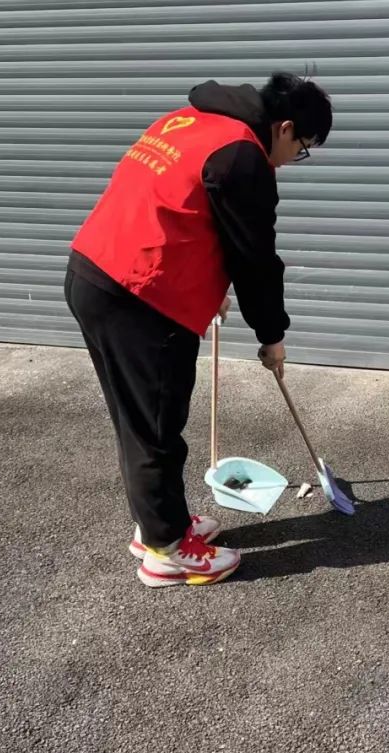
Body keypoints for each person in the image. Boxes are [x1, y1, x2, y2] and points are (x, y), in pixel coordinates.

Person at [64, 72, 333, 588]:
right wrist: (272, 335)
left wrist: (209, 288)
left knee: (137, 421)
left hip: (94, 274)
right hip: (140, 298)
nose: (290, 160)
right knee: (156, 428)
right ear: (284, 127)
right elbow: (255, 259)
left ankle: (160, 525)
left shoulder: (188, 121)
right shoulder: (243, 155)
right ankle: (167, 552)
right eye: (300, 148)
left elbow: (179, 209)